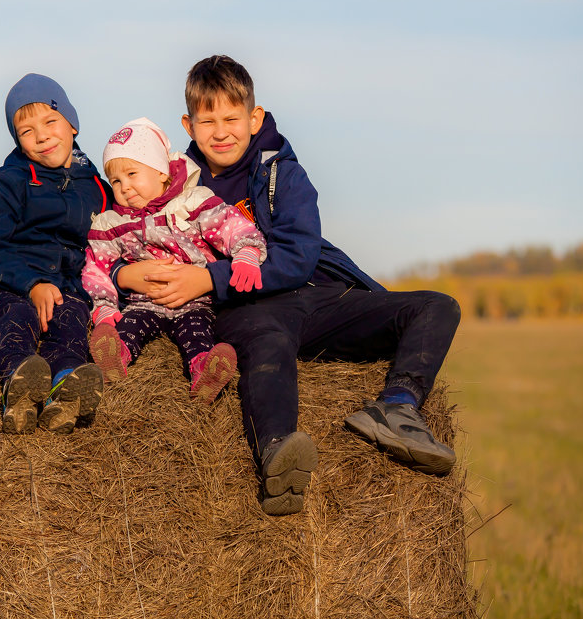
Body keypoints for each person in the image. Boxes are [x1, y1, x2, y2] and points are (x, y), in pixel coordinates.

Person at [115, 55, 461, 515]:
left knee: (437, 306)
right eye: (208, 120)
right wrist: (123, 275)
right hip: (244, 309)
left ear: (254, 118)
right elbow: (122, 237)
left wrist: (208, 276)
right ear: (188, 125)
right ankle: (278, 451)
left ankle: (397, 405)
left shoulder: (284, 174)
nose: (221, 131)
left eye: (232, 118)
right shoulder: (171, 186)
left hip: (314, 295)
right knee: (269, 344)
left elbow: (299, 255)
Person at [82, 117, 266, 406]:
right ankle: (114, 357)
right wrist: (104, 308)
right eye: (116, 180)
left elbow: (230, 225)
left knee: (197, 334)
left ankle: (205, 370)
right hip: (143, 301)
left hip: (194, 300)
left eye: (132, 174)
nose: (125, 187)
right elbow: (97, 266)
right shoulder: (113, 222)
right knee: (129, 327)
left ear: (162, 174)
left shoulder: (191, 204)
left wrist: (246, 253)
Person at [0, 73, 110, 435]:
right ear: (18, 141)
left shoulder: (98, 190)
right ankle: (17, 383)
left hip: (66, 290)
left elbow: (111, 246)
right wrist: (31, 284)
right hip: (2, 290)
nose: (42, 135)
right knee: (18, 316)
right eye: (26, 131)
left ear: (72, 124)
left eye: (50, 121)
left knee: (74, 318)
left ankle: (65, 386)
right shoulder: (7, 182)